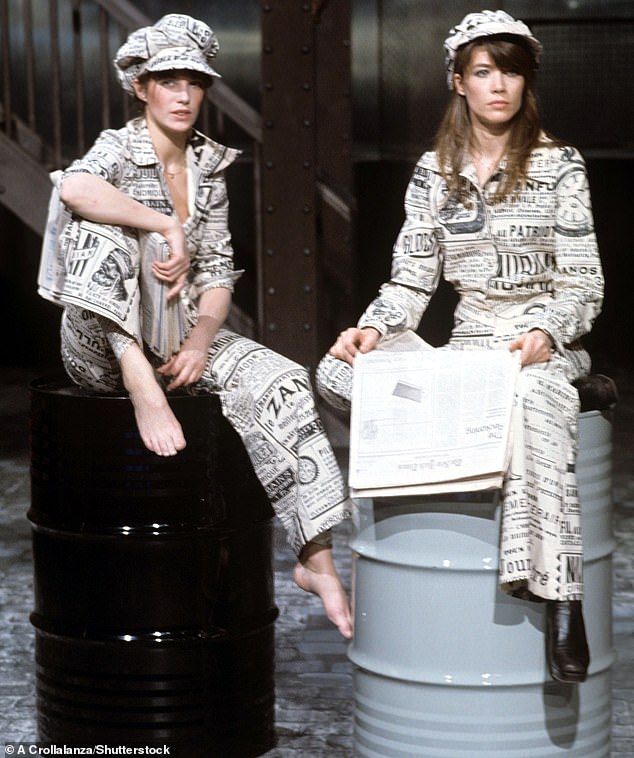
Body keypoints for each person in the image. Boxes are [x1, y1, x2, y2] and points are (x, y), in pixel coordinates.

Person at [40, 14, 353, 639]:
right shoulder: (119, 147)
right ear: (140, 87)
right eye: (168, 80)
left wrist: (201, 341)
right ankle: (142, 387)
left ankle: (315, 558)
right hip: (100, 348)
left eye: (195, 81)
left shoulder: (210, 167)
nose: (183, 95)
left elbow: (217, 278)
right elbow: (73, 188)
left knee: (283, 379)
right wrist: (163, 224)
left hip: (174, 337)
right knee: (100, 230)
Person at [317, 9, 604, 681]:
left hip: (540, 346)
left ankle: (562, 598)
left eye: (511, 71)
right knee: (337, 374)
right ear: (458, 82)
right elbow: (410, 280)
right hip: (470, 345)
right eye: (484, 72)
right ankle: (413, 496)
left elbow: (583, 284)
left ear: (525, 83)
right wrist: (372, 330)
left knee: (533, 399)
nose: (498, 85)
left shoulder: (559, 167)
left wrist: (545, 335)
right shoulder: (432, 174)